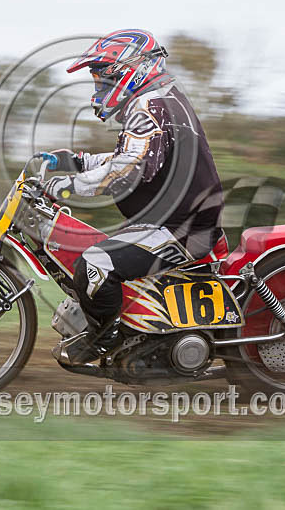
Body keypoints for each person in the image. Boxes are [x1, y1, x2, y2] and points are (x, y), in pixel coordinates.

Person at [43, 29, 224, 362]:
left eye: (103, 81)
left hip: (183, 229)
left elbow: (127, 169)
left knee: (96, 264)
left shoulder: (151, 107)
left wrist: (67, 186)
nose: (99, 90)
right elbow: (130, 156)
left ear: (130, 70)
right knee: (98, 254)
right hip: (173, 221)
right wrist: (78, 162)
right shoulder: (156, 100)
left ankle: (106, 340)